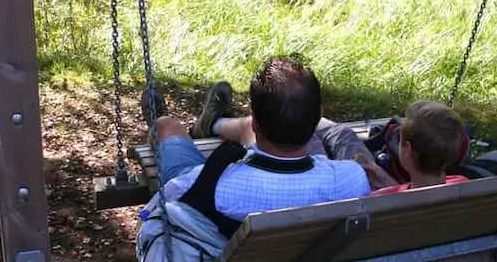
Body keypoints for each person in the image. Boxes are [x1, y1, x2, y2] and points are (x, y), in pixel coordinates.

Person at [147, 56, 373, 226]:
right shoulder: (351, 179)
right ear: (317, 120)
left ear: (257, 123)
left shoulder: (207, 184)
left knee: (166, 126)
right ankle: (212, 122)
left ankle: (167, 120)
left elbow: (152, 214)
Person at [204, 100, 469, 194]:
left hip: (336, 187)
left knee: (304, 137)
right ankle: (299, 112)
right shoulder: (463, 186)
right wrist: (385, 179)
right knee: (341, 132)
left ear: (407, 151)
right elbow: (413, 194)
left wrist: (375, 181)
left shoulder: (381, 202)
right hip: (387, 204)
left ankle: (215, 121)